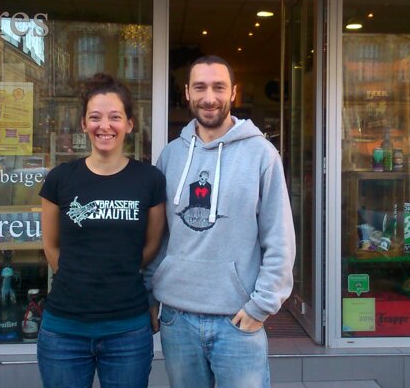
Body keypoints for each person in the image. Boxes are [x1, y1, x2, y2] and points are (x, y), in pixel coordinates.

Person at [147, 55, 296, 388]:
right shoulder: (171, 155)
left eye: (219, 87)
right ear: (187, 92)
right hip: (177, 318)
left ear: (233, 93)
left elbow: (280, 238)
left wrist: (262, 306)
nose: (209, 97)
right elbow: (158, 236)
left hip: (237, 320)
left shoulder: (261, 154)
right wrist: (150, 294)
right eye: (200, 87)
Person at [37, 73, 166, 388]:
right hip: (64, 329)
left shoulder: (149, 179)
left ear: (129, 124)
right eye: (95, 117)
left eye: (115, 117)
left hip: (127, 330)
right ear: (84, 124)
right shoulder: (60, 178)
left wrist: (117, 273)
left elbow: (151, 246)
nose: (104, 126)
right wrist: (80, 278)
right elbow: (51, 246)